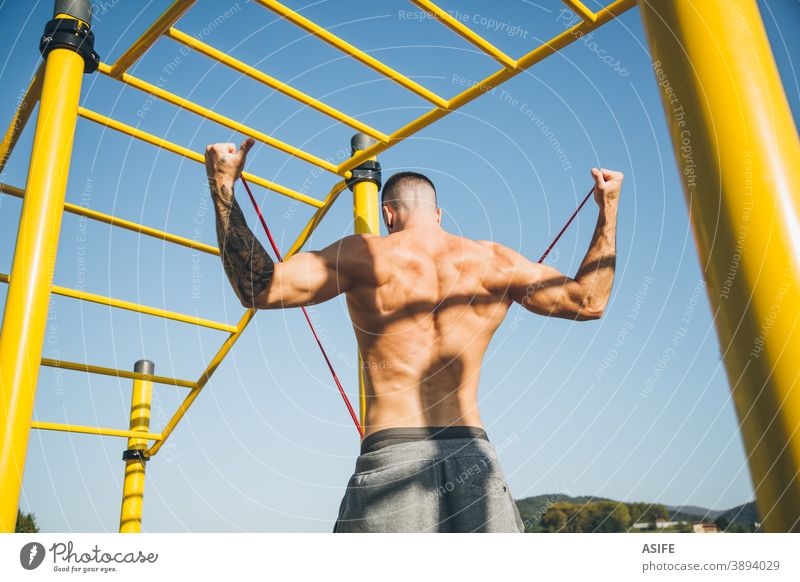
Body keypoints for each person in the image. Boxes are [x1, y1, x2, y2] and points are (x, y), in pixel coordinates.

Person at [205, 138, 622, 532]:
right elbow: (589, 302)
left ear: (388, 214)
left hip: (394, 455)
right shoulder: (494, 261)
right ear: (438, 214)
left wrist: (222, 185)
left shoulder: (363, 254)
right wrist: (608, 206)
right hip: (472, 455)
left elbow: (256, 287)